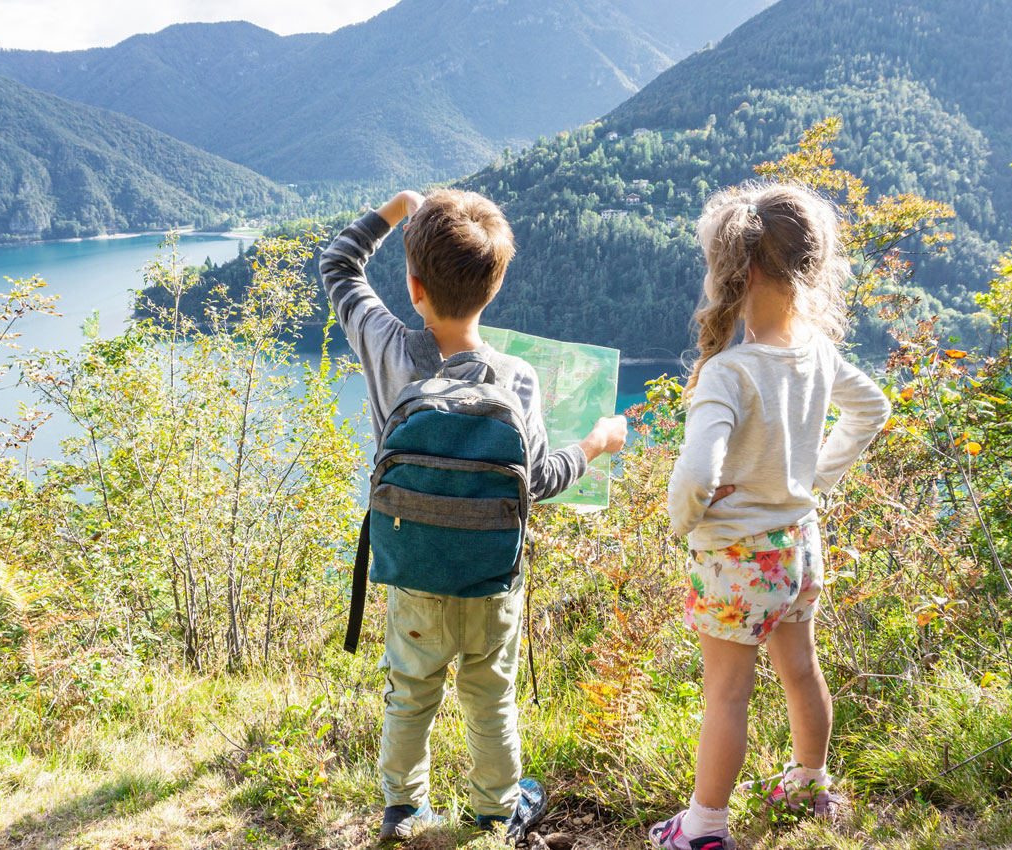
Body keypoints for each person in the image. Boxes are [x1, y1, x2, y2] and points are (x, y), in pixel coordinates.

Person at [319, 189, 628, 842]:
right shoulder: (515, 377)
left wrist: (398, 209)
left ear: (413, 286)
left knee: (410, 693)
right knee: (491, 700)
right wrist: (597, 443)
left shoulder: (385, 348)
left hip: (412, 569)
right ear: (496, 285)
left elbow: (339, 266)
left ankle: (403, 810)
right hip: (493, 578)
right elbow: (540, 480)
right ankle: (497, 812)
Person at [651, 182, 891, 850]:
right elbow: (872, 409)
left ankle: (702, 828)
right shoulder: (814, 351)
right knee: (800, 671)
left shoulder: (729, 373)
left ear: (740, 269)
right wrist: (814, 479)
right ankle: (810, 782)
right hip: (799, 547)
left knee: (727, 695)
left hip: (736, 559)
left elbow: (696, 474)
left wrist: (683, 523)